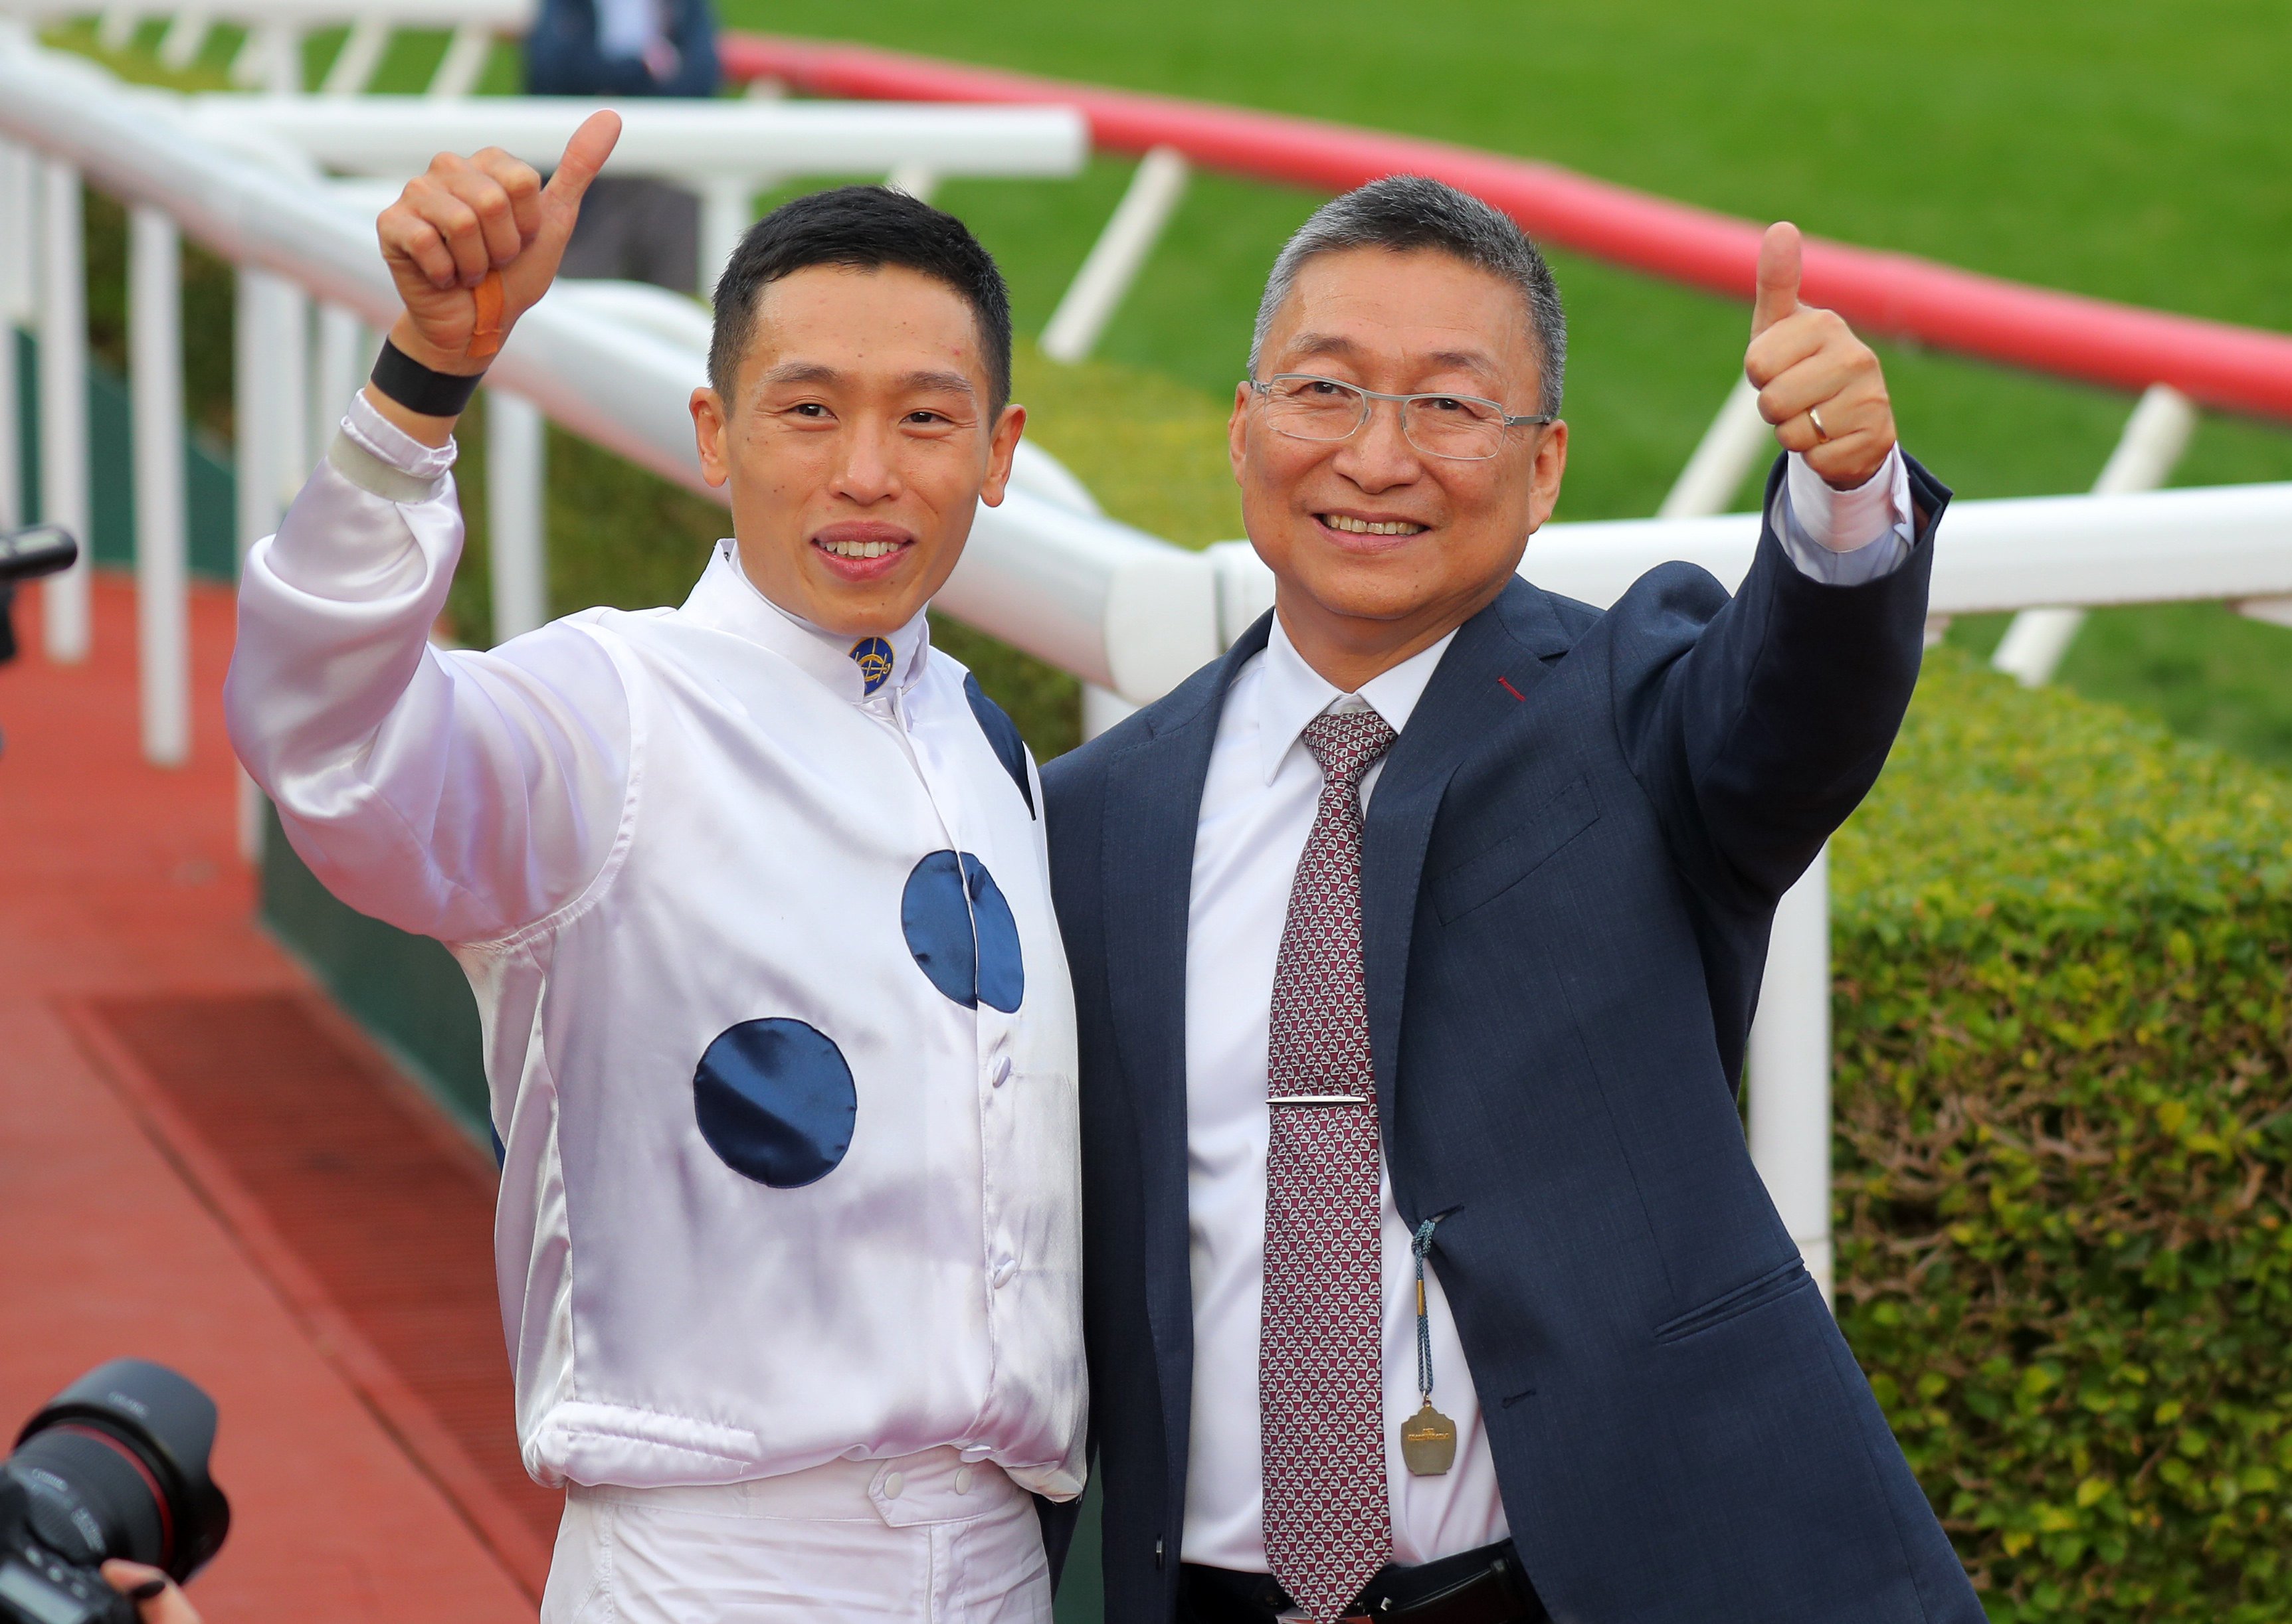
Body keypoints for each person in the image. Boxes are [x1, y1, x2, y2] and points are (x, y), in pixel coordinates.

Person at [1042, 177, 1982, 1624]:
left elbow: (1789, 712)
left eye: (1447, 406)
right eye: (1327, 390)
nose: (1377, 453)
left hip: (1588, 1580)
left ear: (1542, 469)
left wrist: (1844, 492)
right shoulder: (1101, 810)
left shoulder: (1635, 707)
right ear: (1243, 429)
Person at [225, 116, 1084, 1622]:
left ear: (1000, 453)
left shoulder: (989, 751)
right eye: (807, 410)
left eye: (927, 420)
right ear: (712, 434)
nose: (865, 474)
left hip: (1001, 1561)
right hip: (715, 1566)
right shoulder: (604, 714)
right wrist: (421, 386)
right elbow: (328, 744)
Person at [524, 0, 719, 292]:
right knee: (575, 302)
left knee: (679, 301)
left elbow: (702, 78)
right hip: (588, 178)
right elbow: (551, 72)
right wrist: (644, 70)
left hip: (663, 167)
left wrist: (611, 80)